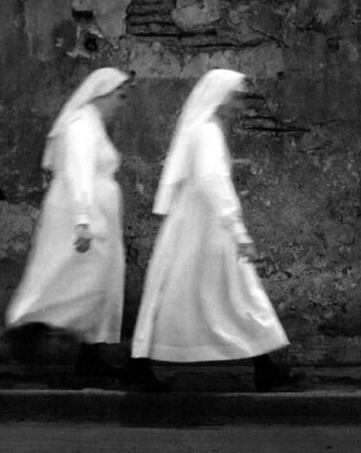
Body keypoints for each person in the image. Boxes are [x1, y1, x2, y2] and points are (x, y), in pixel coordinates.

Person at [127, 68, 297, 393]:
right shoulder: (207, 132)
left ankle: (262, 366)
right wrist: (238, 231)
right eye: (236, 98)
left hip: (197, 225)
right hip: (206, 227)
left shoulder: (205, 129)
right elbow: (212, 181)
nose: (240, 107)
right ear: (219, 98)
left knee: (181, 292)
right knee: (236, 293)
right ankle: (263, 368)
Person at [4, 67, 132, 380]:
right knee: (72, 280)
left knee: (97, 283)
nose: (122, 103)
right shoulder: (80, 125)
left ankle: (89, 356)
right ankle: (28, 330)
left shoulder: (93, 124)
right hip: (82, 214)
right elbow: (79, 174)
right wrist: (83, 221)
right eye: (120, 96)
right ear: (102, 93)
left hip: (96, 215)